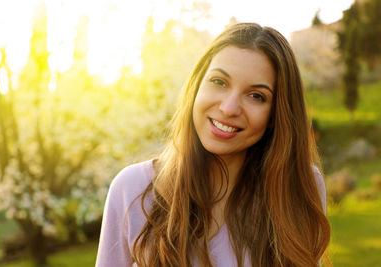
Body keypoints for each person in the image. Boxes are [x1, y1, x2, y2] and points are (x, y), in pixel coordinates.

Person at [95, 22, 330, 267]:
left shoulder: (298, 186)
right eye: (219, 82)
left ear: (275, 115)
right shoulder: (132, 189)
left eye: (256, 96)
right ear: (196, 86)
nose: (228, 108)